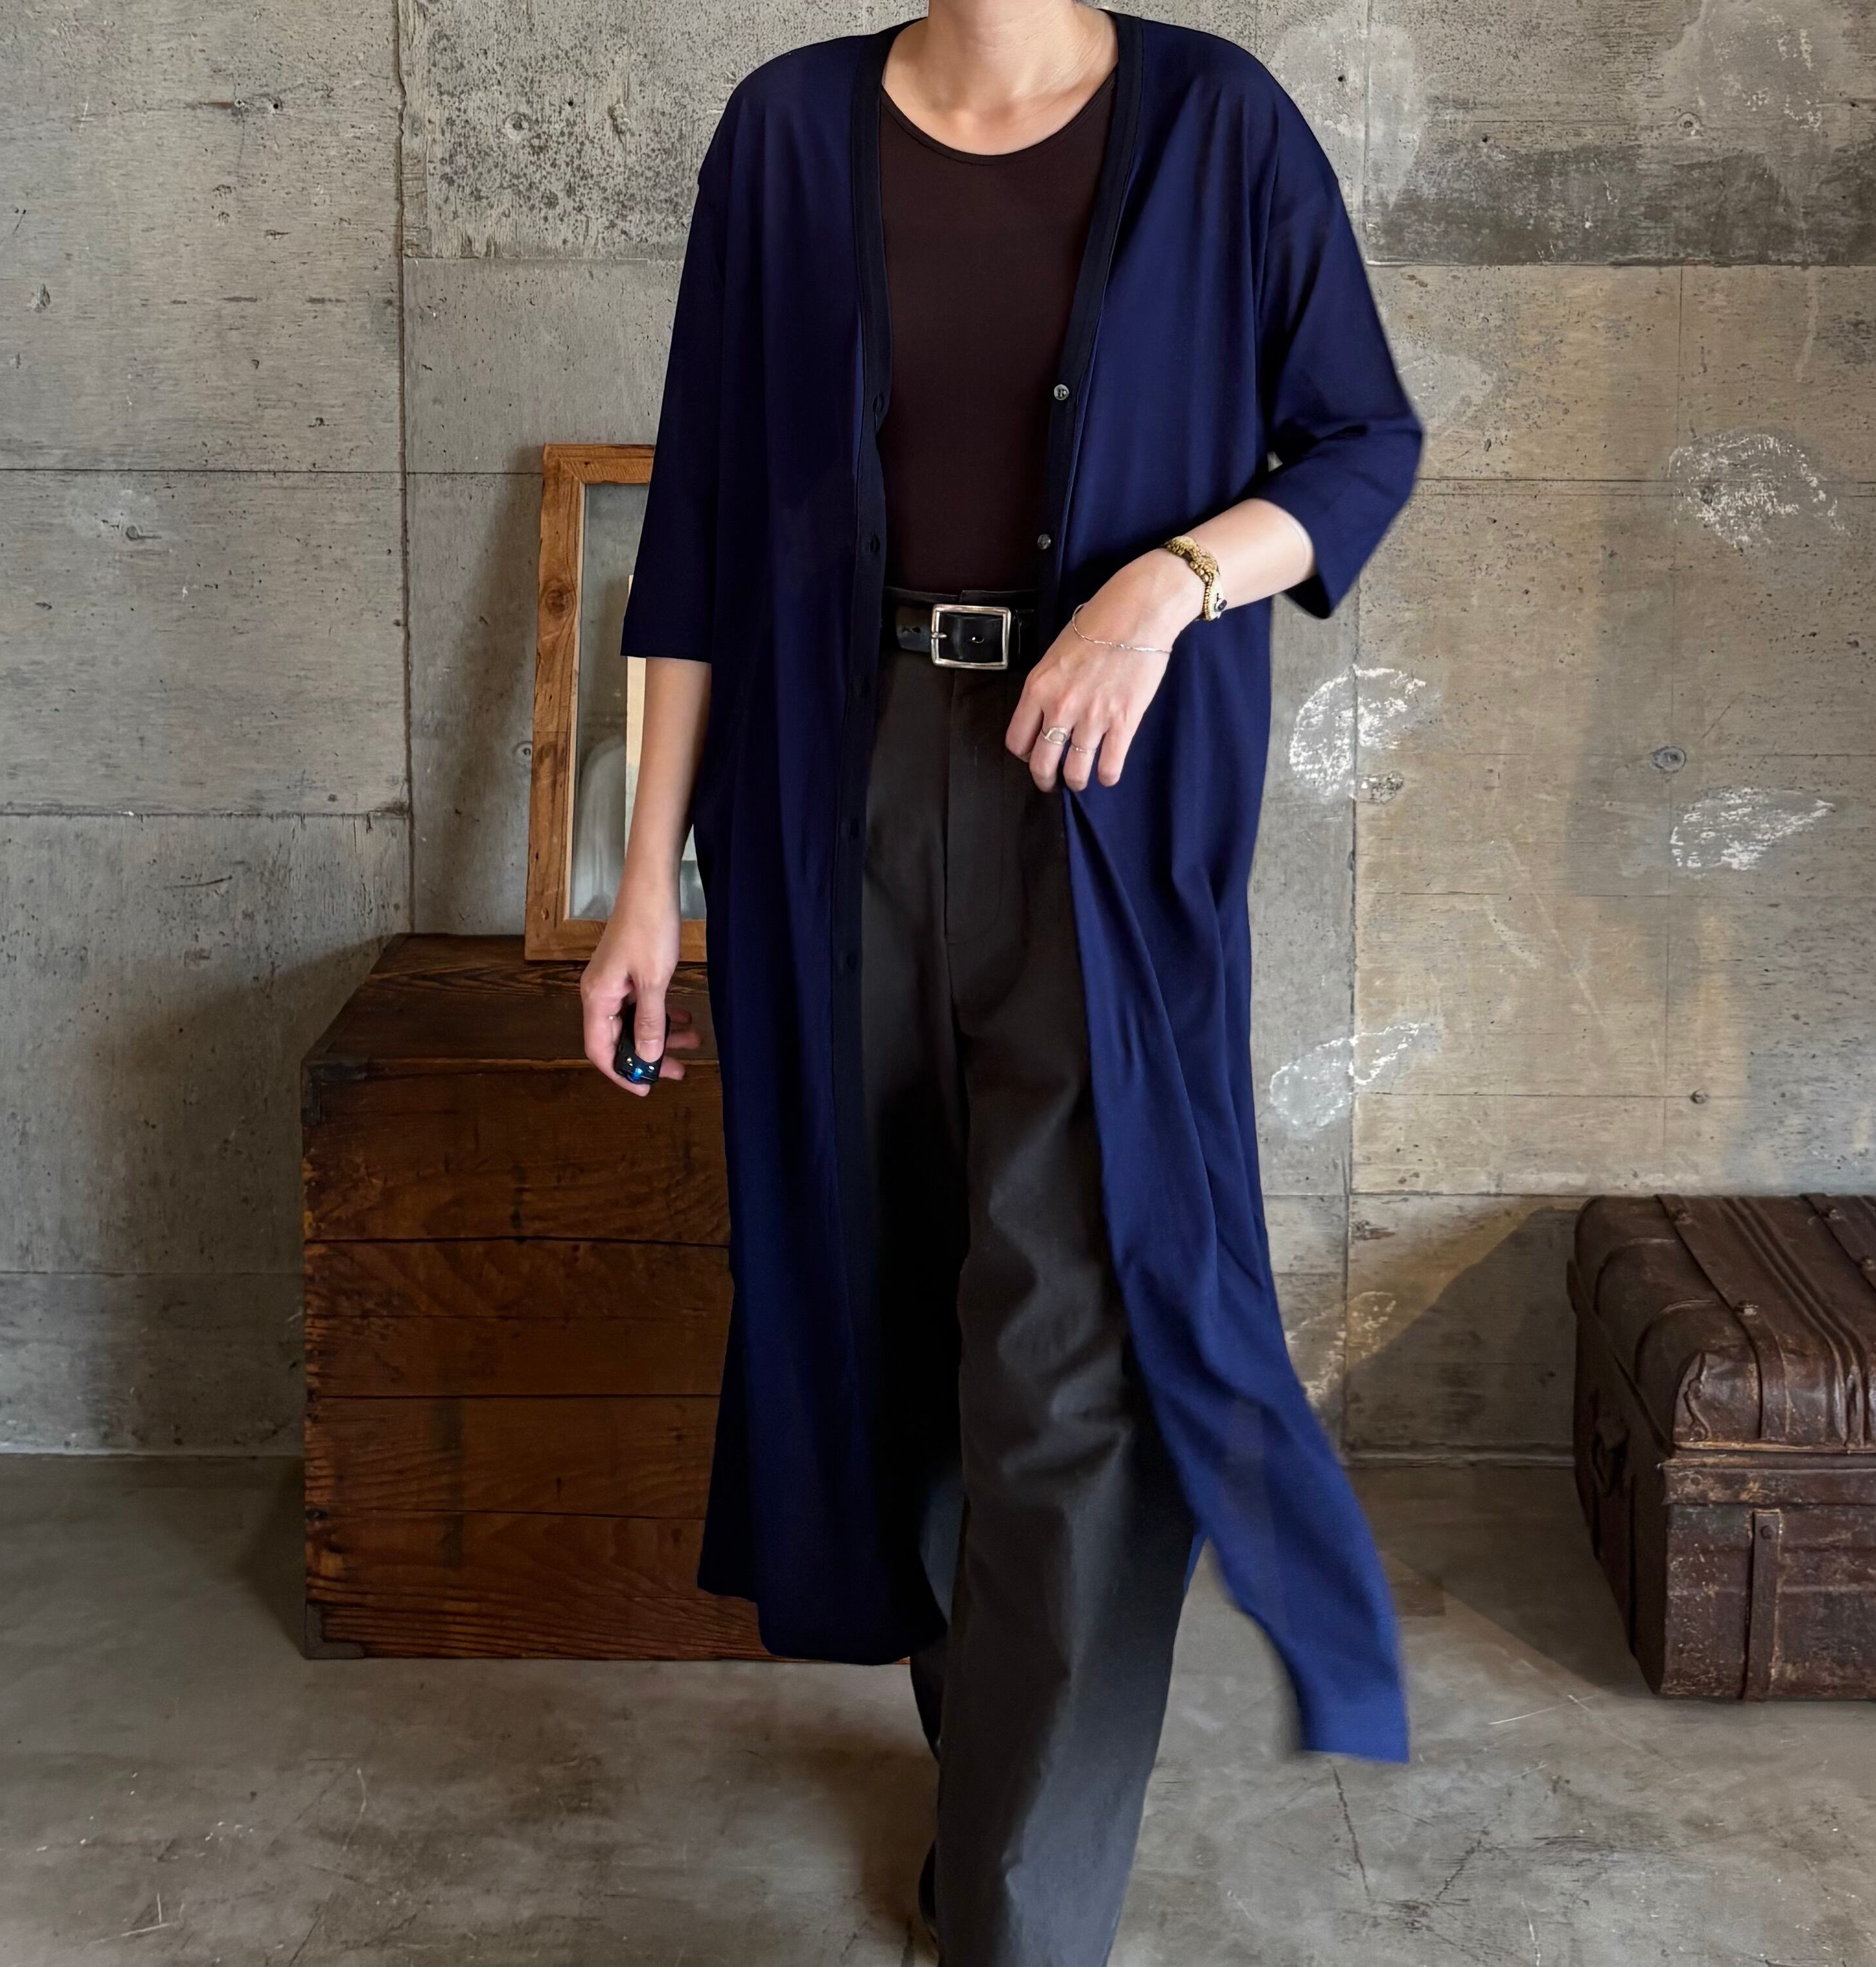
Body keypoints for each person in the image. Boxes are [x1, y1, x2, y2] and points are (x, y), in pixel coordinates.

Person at [580, 5, 1424, 1961]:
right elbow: (698, 537)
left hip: (1103, 803)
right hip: (827, 794)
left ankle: (1025, 1910)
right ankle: (995, 1801)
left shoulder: (1216, 124)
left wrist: (1167, 584)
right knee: (893, 1321)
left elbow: (1362, 440)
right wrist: (643, 892)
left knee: (1068, 1347)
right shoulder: (785, 133)